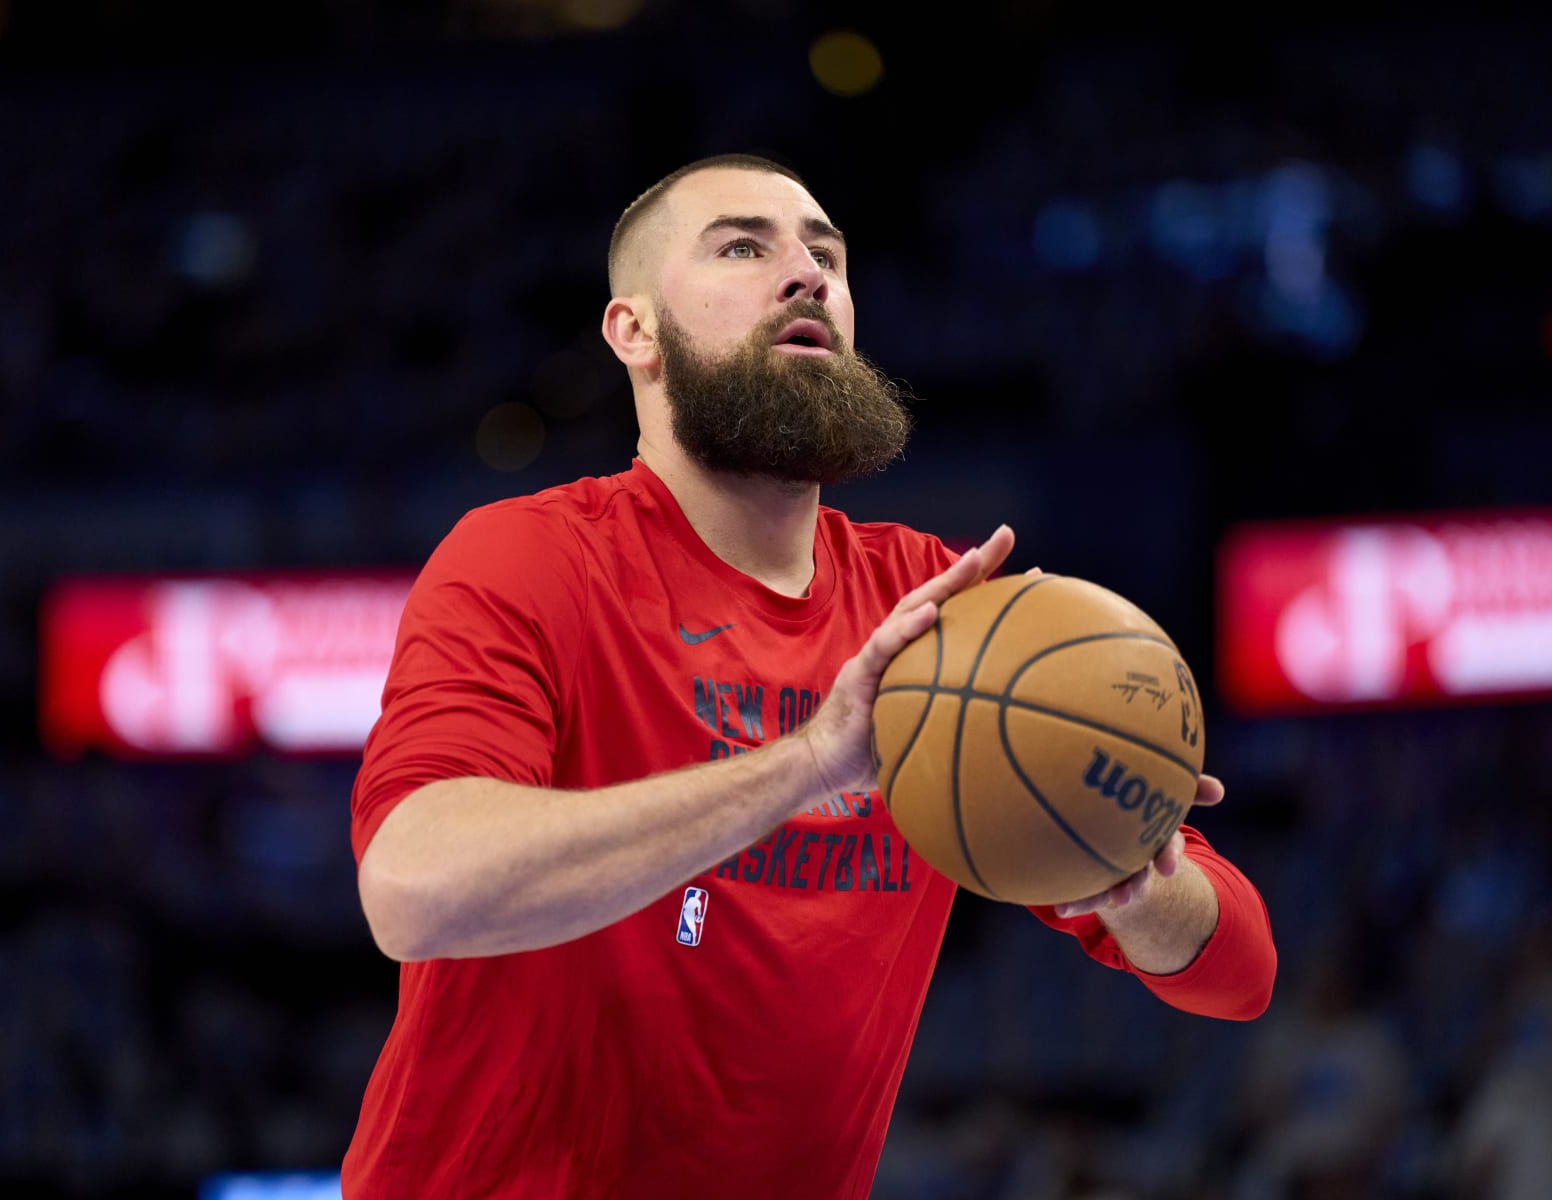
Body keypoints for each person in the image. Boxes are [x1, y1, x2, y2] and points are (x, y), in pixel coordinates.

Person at [344, 153, 1277, 1198]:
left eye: (826, 254)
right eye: (744, 246)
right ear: (635, 331)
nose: (807, 274)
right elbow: (414, 891)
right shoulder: (530, 558)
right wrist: (802, 767)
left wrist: (1135, 878)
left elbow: (1237, 978)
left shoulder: (935, 607)